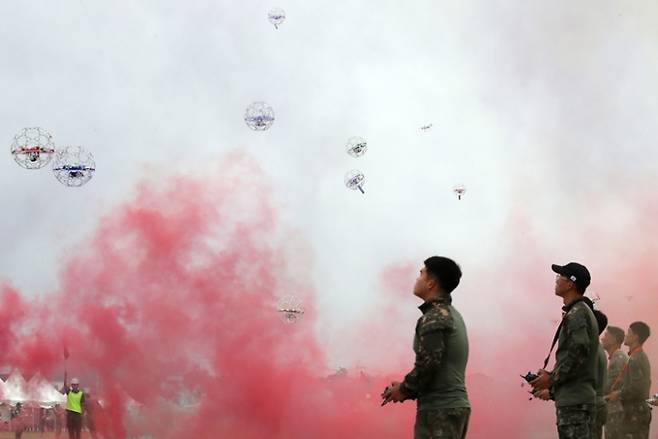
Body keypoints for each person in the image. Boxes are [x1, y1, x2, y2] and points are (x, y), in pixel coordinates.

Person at [382, 256, 470, 439]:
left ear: (431, 283)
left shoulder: (434, 317)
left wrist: (404, 389)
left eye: (421, 274)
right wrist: (407, 387)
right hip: (449, 408)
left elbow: (429, 364)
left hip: (439, 411)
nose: (417, 278)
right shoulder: (452, 315)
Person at [531, 262, 598, 439]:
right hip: (576, 401)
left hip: (575, 403)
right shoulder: (579, 311)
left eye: (560, 276)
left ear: (571, 284)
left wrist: (551, 379)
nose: (557, 280)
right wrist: (550, 374)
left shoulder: (577, 313)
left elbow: (578, 351)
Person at [607, 321, 652, 439]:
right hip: (633, 413)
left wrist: (619, 393)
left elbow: (638, 388)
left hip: (635, 414)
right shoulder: (635, 357)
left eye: (629, 332)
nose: (626, 335)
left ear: (636, 337)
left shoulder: (637, 359)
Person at [601, 326, 628, 439]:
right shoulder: (616, 358)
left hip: (616, 412)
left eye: (606, 335)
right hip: (615, 411)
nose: (602, 339)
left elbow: (609, 387)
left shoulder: (618, 358)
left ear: (614, 339)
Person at [592, 310, 608, 439]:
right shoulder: (597, 348)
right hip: (595, 407)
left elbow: (579, 379)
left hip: (590, 408)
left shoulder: (591, 349)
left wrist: (552, 390)